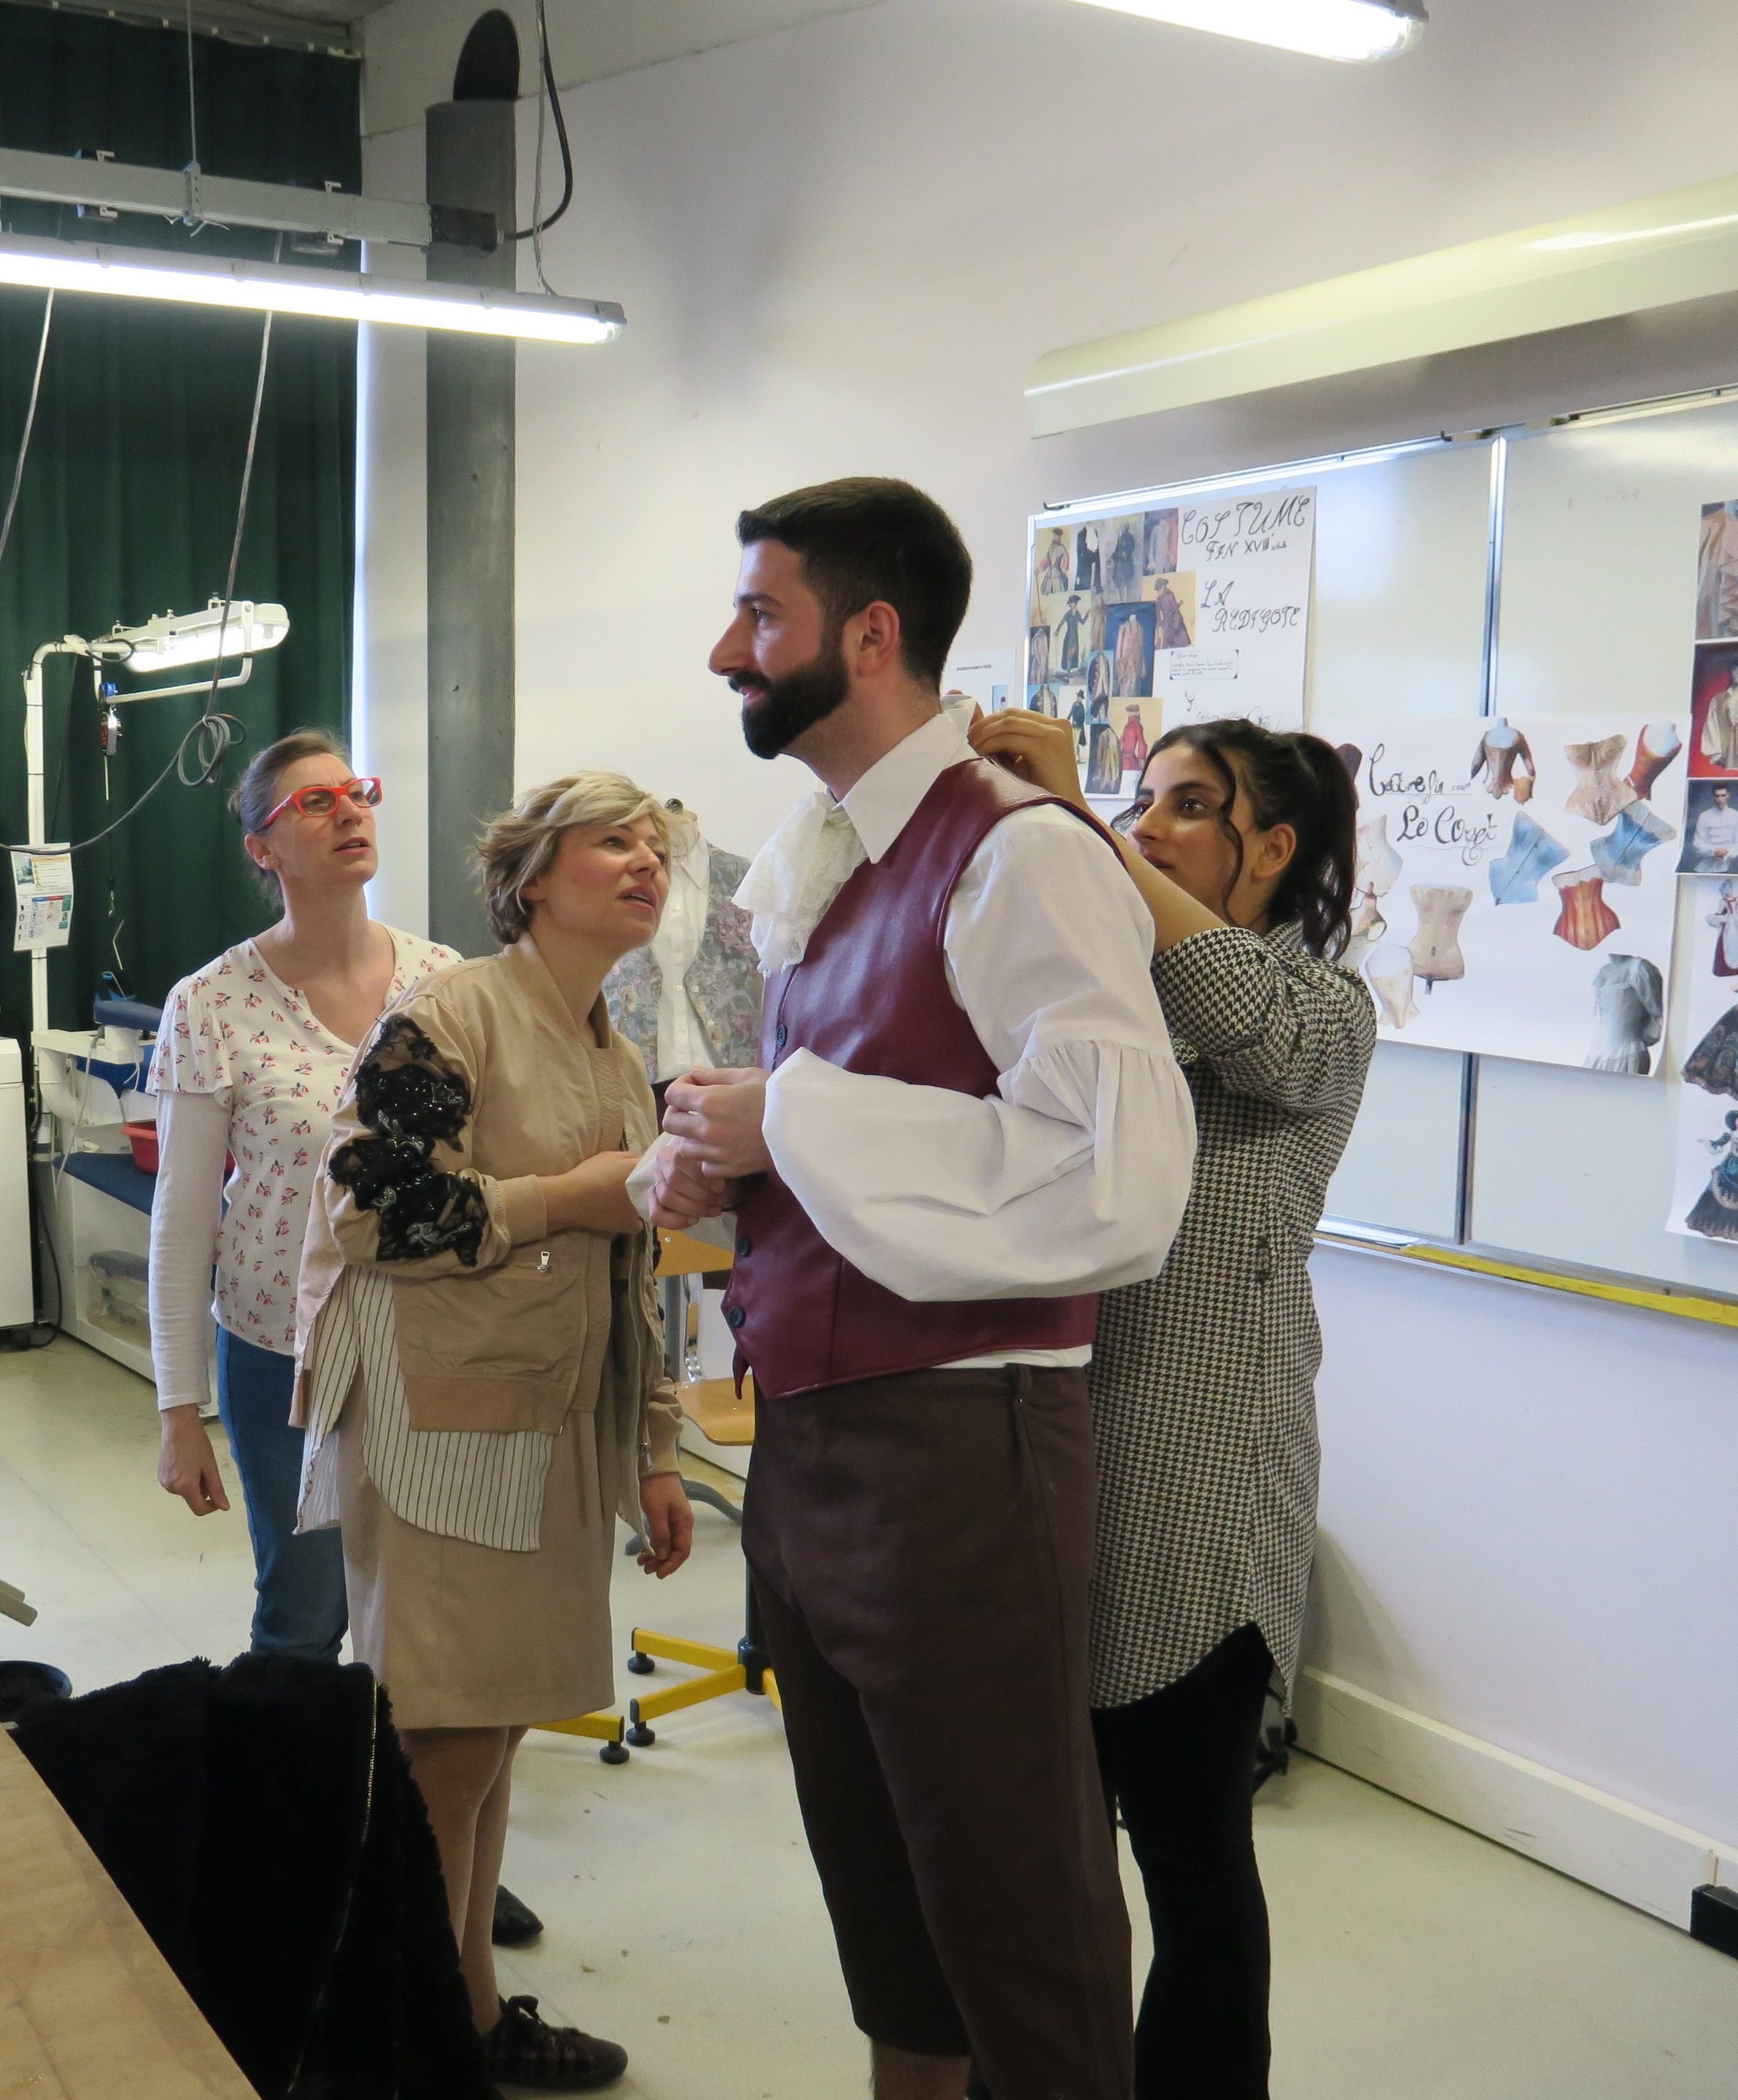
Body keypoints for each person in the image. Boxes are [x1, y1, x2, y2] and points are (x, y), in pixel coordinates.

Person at [646, 477, 1195, 2100]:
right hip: (813, 1444)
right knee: (889, 1909)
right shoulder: (825, 866)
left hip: (963, 1455)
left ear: (869, 635)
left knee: (1017, 1913)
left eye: (761, 616)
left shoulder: (1020, 857)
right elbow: (890, 1119)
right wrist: (736, 1155)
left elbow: (1117, 1175)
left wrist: (792, 1118)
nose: (724, 650)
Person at [974, 707, 1373, 2099]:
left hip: (1202, 1490)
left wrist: (1073, 818)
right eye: (1143, 800)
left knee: (1192, 1862)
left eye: (1185, 806)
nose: (1147, 824)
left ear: (1271, 849)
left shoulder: (1321, 1012)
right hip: (1055, 1470)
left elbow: (1245, 1025)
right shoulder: (1106, 1002)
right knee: (1048, 1862)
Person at [288, 771, 694, 2092]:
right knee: (445, 1745)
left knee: (495, 1730)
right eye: (612, 843)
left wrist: (656, 1446)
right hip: (438, 1424)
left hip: (549, 1421)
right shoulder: (450, 1015)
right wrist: (561, 1197)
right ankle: (407, 2038)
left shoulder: (612, 1050)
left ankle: (463, 2013)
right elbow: (374, 1217)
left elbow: (643, 1271)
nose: (647, 862)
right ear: (533, 882)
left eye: (655, 845)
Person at [148, 731, 459, 1658]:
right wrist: (179, 1411)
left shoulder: (443, 983)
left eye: (356, 792)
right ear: (264, 849)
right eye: (314, 803)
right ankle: (290, 1797)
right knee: (306, 1611)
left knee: (427, 1607)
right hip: (283, 1348)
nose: (349, 811)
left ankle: (404, 1796)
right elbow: (183, 1217)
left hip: (428, 1336)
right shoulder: (210, 1005)